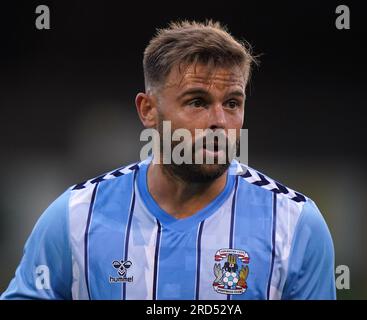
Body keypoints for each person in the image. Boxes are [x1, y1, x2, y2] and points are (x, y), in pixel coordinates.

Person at [1, 20, 336, 300]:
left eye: (233, 103)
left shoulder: (295, 225)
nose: (219, 121)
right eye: (197, 102)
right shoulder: (75, 218)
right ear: (148, 110)